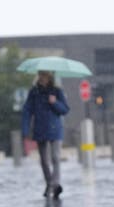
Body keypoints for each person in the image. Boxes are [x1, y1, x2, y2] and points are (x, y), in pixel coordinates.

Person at [22, 70, 70, 199]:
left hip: (55, 129)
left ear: (50, 77)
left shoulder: (57, 91)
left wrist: (55, 102)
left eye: (45, 76)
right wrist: (25, 130)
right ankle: (50, 183)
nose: (42, 78)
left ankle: (54, 184)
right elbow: (27, 110)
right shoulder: (34, 92)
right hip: (40, 128)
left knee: (55, 157)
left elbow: (65, 110)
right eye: (41, 75)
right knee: (43, 160)